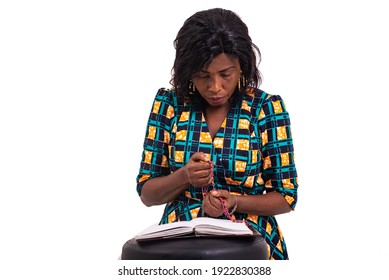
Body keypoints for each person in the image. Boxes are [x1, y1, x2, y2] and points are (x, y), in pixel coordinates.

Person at [135, 8, 298, 260]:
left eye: (225, 74)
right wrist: (184, 176)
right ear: (188, 72)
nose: (215, 87)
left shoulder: (265, 109)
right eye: (203, 76)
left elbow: (286, 197)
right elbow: (147, 193)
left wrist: (234, 201)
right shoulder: (170, 105)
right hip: (179, 245)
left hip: (251, 244)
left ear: (242, 67)